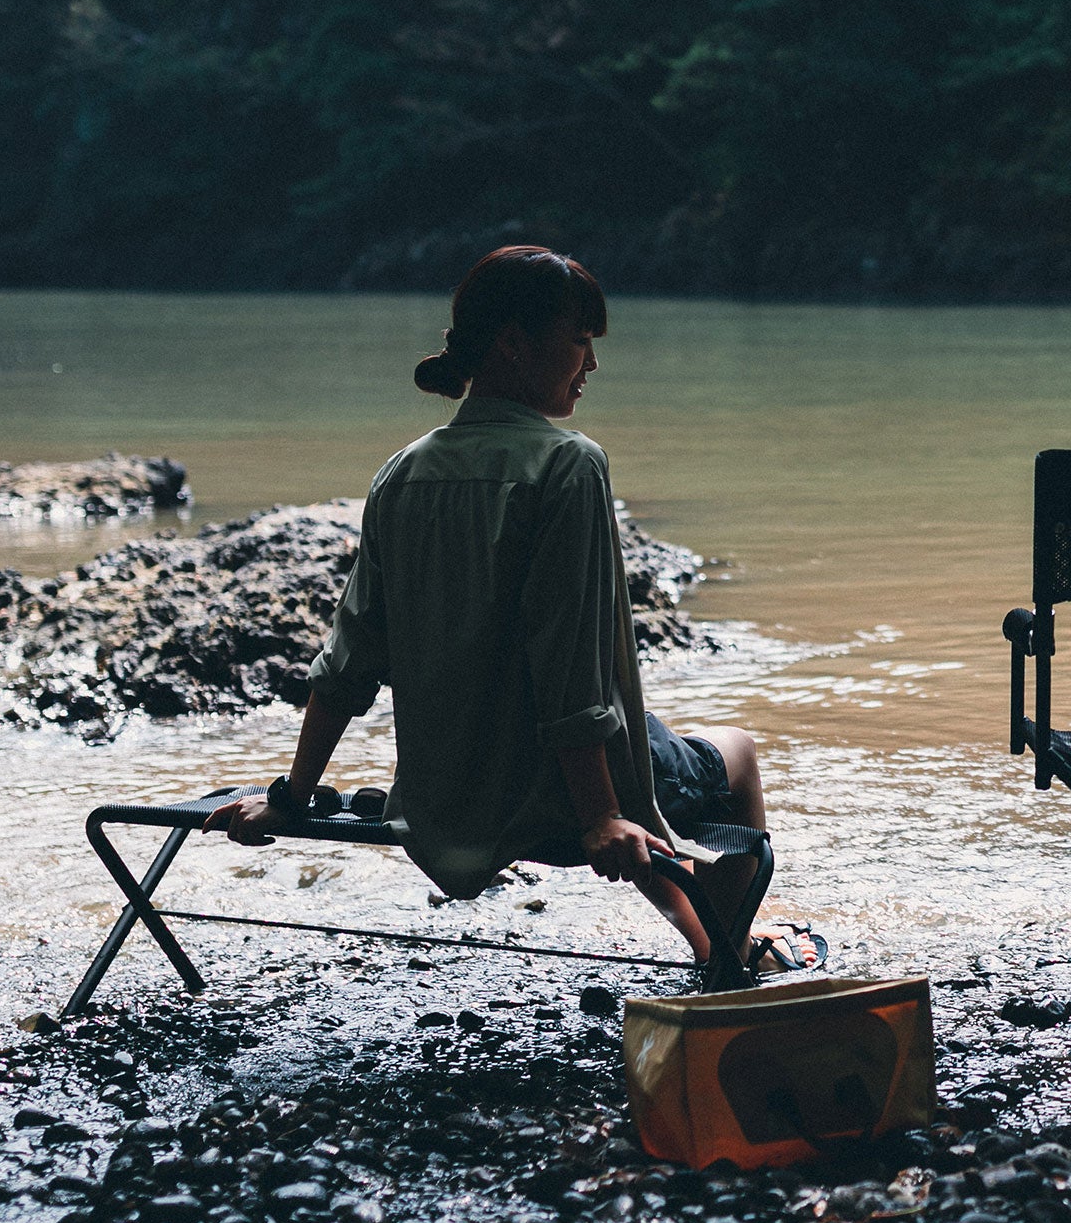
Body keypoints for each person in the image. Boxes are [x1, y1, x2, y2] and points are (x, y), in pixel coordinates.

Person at [208, 245, 817, 976]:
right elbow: (569, 672)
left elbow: (349, 659)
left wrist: (291, 796)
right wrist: (599, 818)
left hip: (448, 799)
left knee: (659, 746)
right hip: (555, 800)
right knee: (738, 753)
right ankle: (729, 952)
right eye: (579, 341)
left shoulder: (399, 474)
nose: (590, 364)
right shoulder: (568, 465)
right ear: (513, 344)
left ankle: (720, 928)